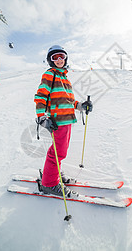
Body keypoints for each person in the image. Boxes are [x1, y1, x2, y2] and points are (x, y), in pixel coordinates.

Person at [34, 45, 93, 197]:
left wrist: (81, 106)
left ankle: (52, 174)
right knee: (58, 152)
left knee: (59, 150)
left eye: (61, 56)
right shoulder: (50, 74)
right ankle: (49, 184)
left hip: (67, 119)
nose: (59, 59)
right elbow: (41, 96)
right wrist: (41, 117)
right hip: (57, 120)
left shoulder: (65, 78)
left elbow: (69, 101)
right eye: (55, 57)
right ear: (50, 60)